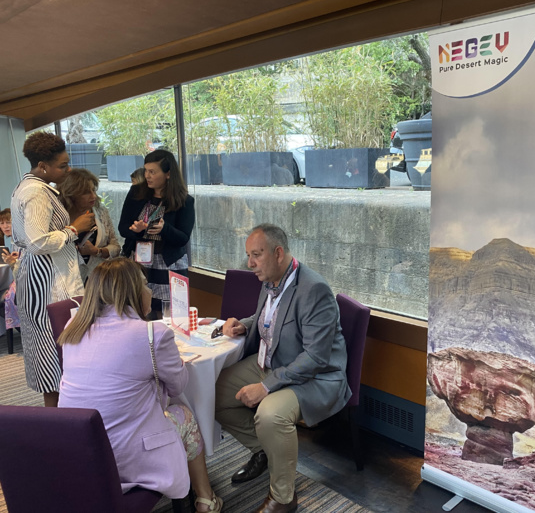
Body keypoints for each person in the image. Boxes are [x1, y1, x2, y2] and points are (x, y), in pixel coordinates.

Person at [57, 257, 222, 512]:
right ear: (131, 291)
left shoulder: (73, 327)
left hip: (77, 448)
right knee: (185, 416)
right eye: (145, 285)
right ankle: (205, 499)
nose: (149, 291)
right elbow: (178, 387)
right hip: (126, 454)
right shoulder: (151, 335)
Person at [215, 223, 351, 513]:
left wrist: (265, 386)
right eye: (248, 255)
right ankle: (263, 451)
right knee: (215, 392)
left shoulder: (314, 290)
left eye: (256, 255)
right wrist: (244, 324)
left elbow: (315, 358)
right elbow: (268, 317)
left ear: (278, 253)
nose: (249, 263)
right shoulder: (271, 279)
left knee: (270, 414)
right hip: (277, 361)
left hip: (315, 378)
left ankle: (283, 498)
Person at [11, 132, 94, 407]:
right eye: (62, 165)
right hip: (46, 280)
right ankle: (59, 424)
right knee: (55, 352)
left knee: (58, 349)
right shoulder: (36, 192)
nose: (67, 169)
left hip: (42, 274)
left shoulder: (34, 186)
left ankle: (64, 421)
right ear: (43, 166)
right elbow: (37, 242)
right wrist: (73, 229)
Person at [118, 150, 194, 317]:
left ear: (168, 174)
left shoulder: (184, 201)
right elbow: (123, 228)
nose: (147, 176)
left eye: (152, 172)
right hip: (139, 262)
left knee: (170, 314)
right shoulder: (136, 193)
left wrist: (164, 229)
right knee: (138, 310)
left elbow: (183, 238)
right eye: (146, 171)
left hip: (169, 263)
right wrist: (136, 231)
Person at [58, 168, 120, 282]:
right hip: (67, 280)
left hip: (98, 278)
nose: (93, 196)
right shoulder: (58, 216)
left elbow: (116, 247)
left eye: (94, 190)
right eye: (86, 192)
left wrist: (97, 251)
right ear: (72, 193)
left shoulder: (100, 212)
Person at [0, 209, 20, 333]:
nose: (5, 226)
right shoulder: (13, 241)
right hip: (18, 281)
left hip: (24, 283)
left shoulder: (20, 241)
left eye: (8, 222)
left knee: (7, 295)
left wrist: (13, 263)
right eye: (2, 223)